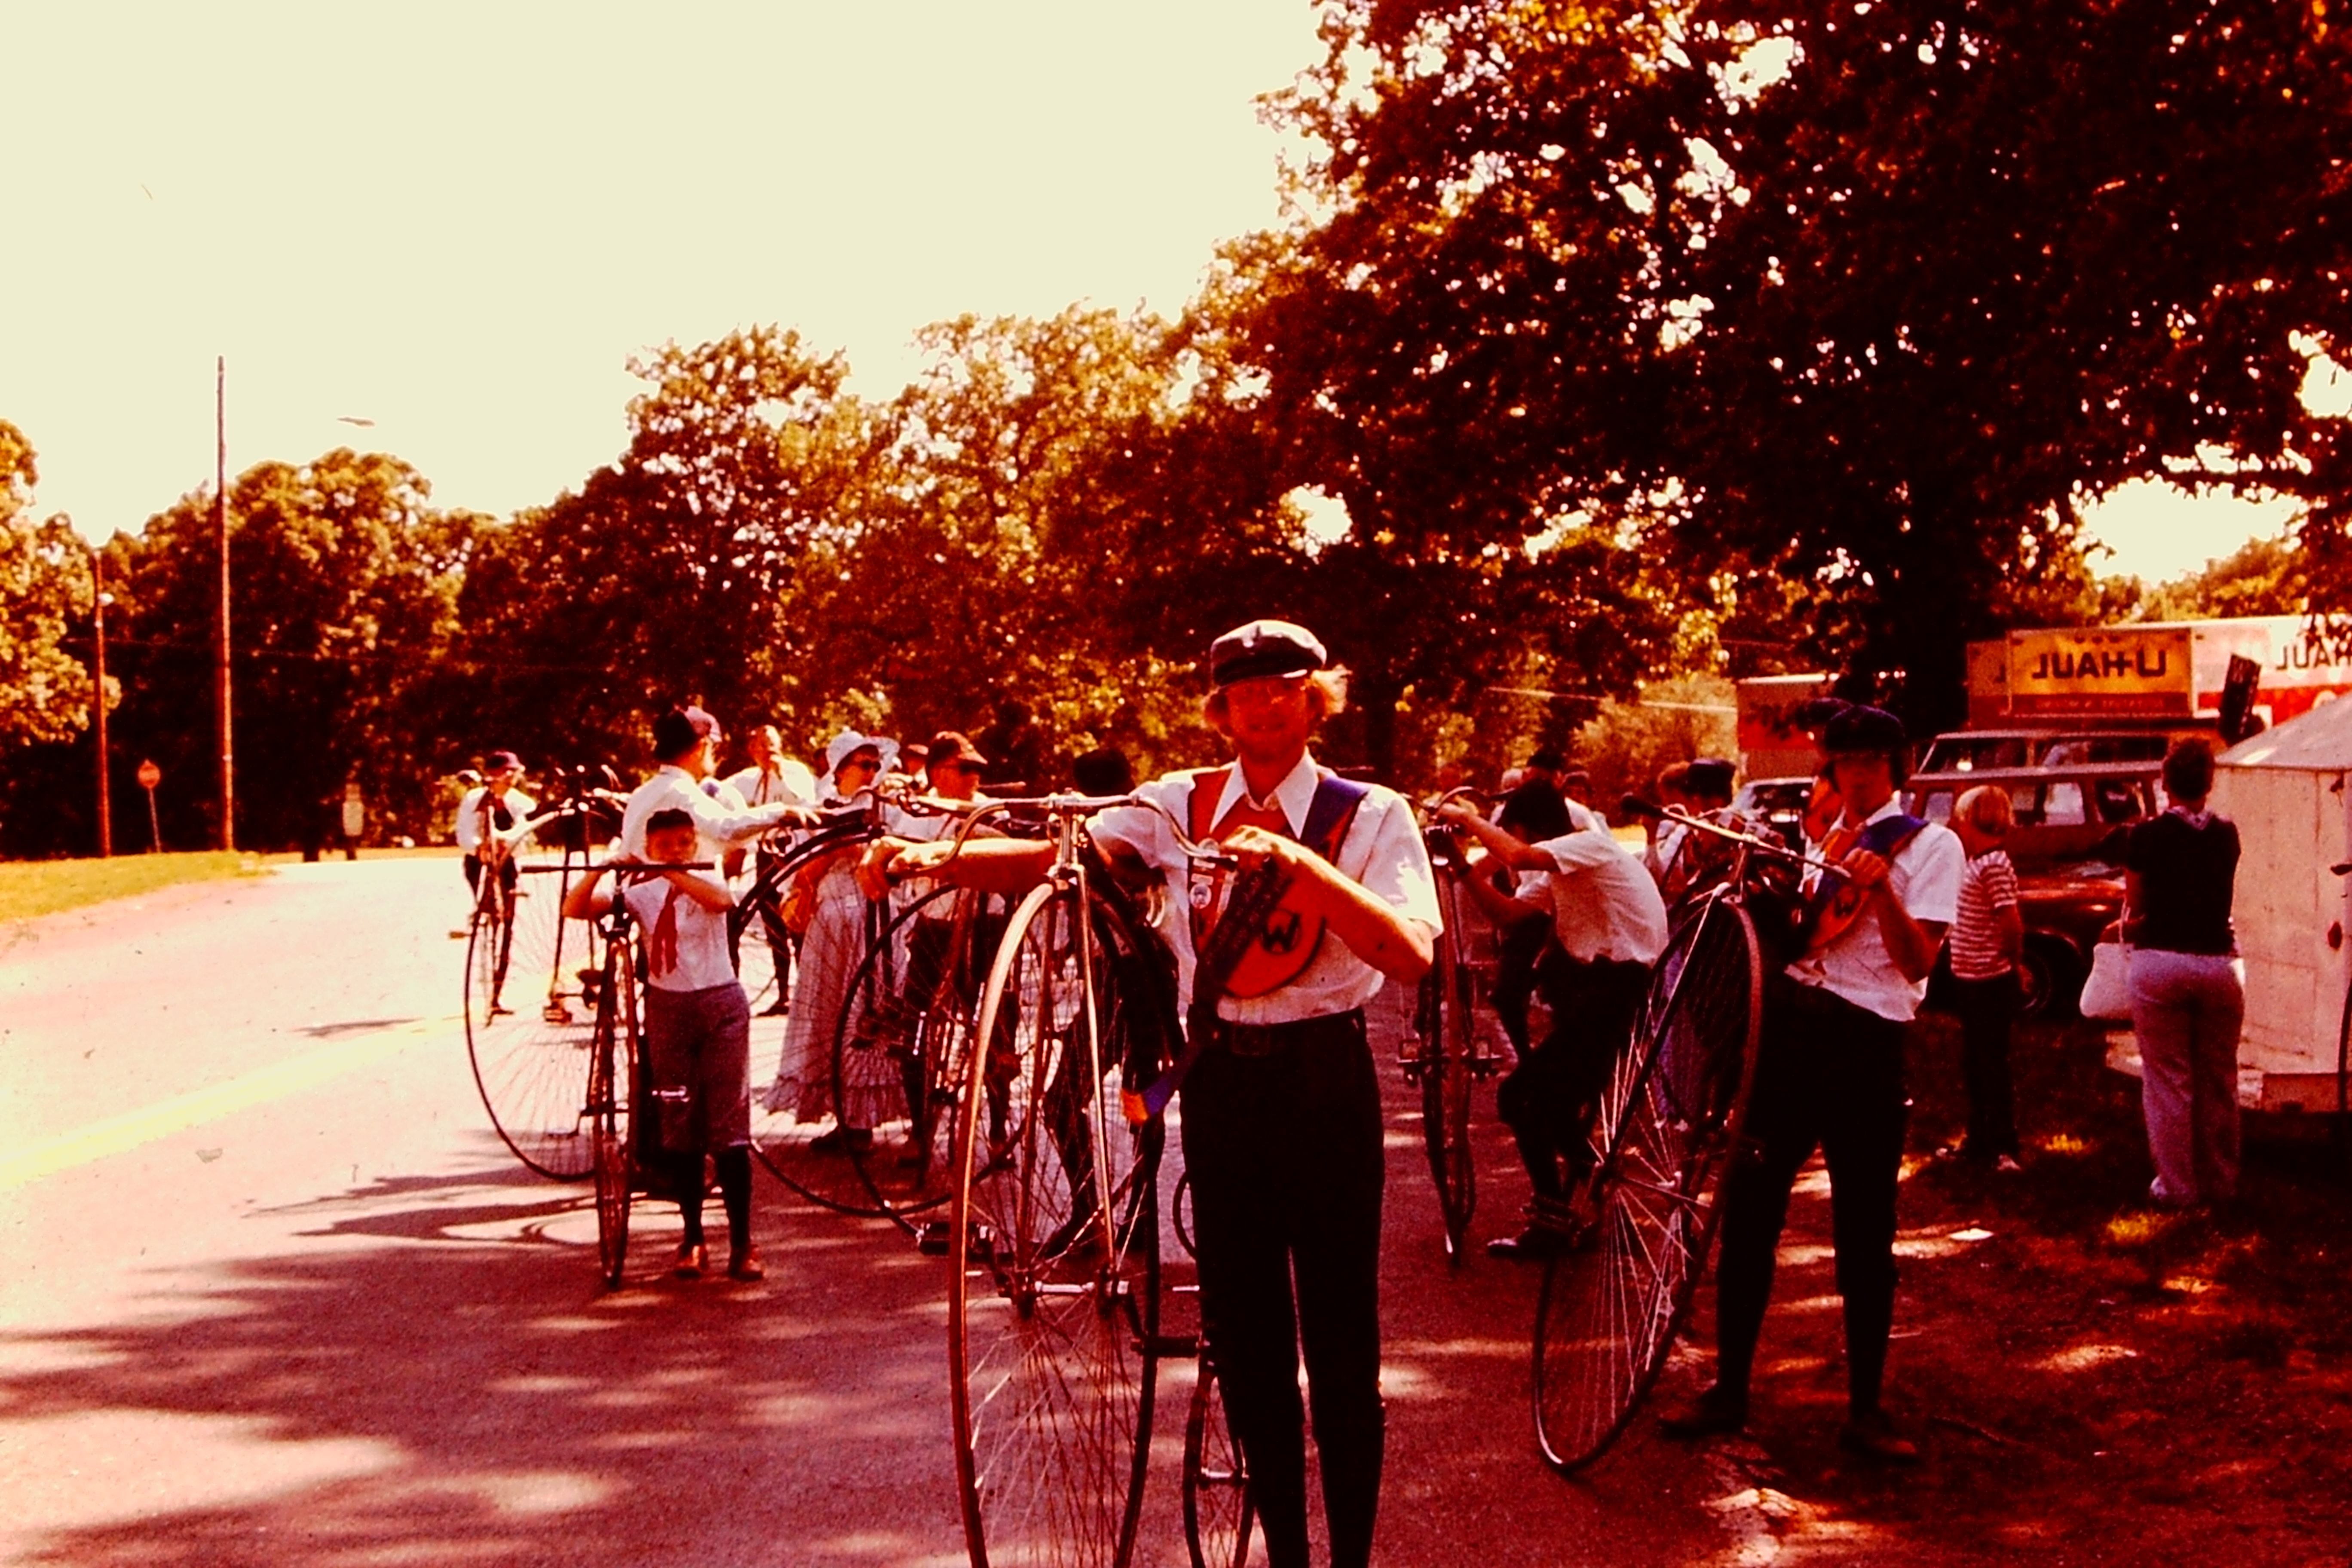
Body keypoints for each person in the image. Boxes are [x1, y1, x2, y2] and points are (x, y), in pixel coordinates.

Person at [857, 619, 1437, 1568]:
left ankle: (1353, 1558)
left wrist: (1303, 867)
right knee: (1248, 1339)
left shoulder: (1368, 813)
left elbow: (1409, 954)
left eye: (1282, 688)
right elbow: (1062, 863)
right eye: (1241, 692)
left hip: (1325, 1083)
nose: (1261, 706)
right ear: (1219, 709)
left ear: (1314, 697)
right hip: (1221, 1090)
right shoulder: (1175, 803)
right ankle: (1288, 1552)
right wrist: (937, 859)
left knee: (1341, 1345)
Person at [1662, 704, 1962, 1463]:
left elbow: (1918, 963)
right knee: (1751, 1209)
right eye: (1844, 759)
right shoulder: (1821, 836)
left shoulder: (1932, 845)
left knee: (1864, 1228)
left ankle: (1866, 1407)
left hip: (1865, 1042)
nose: (1856, 772)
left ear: (1898, 766)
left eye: (1870, 759)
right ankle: (1729, 1389)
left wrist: (1886, 891)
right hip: (1792, 1033)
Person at [1439, 794, 1668, 1258]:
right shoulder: (1561, 871)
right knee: (1552, 1104)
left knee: (1521, 1097)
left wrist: (1469, 819)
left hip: (1619, 985)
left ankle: (1554, 1221)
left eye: (1512, 832)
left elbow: (1518, 856)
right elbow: (1505, 913)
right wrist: (1461, 865)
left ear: (1526, 829)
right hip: (1602, 988)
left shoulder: (1590, 846)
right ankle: (1593, 1183)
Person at [564, 807, 764, 1281]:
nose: (676, 851)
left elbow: (723, 902)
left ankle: (743, 1243)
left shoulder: (706, 876)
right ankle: (692, 1237)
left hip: (720, 1006)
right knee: (681, 1128)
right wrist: (608, 866)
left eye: (684, 842)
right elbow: (575, 909)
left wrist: (673, 870)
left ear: (696, 844)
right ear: (648, 847)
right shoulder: (641, 893)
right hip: (669, 1009)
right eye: (664, 845)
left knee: (729, 1130)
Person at [2123, 738, 2244, 1209]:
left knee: (2169, 1078)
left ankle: (2177, 1186)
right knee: (2219, 1076)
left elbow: (2137, 903)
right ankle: (2222, 1180)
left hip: (2162, 959)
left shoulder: (2145, 836)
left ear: (2166, 781)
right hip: (2218, 961)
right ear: (2209, 783)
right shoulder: (2227, 834)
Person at [763, 729, 898, 1139]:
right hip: (832, 920)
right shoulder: (818, 809)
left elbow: (894, 862)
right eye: (864, 765)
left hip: (875, 914)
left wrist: (857, 851)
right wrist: (833, 851)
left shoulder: (886, 808)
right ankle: (845, 1117)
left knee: (867, 1011)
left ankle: (866, 1119)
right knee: (831, 1014)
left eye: (877, 765)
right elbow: (802, 872)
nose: (873, 772)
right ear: (839, 769)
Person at [1942, 784, 2025, 1170]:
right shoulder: (1976, 863)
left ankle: (2004, 1143)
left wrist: (2013, 963)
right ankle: (1979, 1138)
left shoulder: (1993, 865)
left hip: (1991, 978)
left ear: (1975, 820)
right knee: (1974, 1062)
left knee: (1992, 1063)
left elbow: (2011, 923)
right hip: (1970, 977)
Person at [620, 707, 812, 867]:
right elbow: (726, 829)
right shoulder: (679, 791)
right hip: (664, 900)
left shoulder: (644, 792)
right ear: (702, 747)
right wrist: (782, 812)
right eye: (714, 748)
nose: (715, 757)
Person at [725, 724, 819, 1011]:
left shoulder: (796, 772)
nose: (769, 752)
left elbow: (805, 802)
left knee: (797, 919)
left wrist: (780, 774)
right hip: (766, 852)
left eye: (773, 745)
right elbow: (721, 793)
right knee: (772, 923)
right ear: (752, 751)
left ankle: (807, 991)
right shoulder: (746, 780)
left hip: (791, 848)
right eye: (762, 746)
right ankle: (783, 993)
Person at [453, 751, 536, 925]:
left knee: (509, 887)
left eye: (514, 771)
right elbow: (464, 830)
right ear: (490, 774)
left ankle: (506, 917)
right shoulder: (474, 799)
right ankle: (485, 905)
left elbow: (523, 829)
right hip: (481, 852)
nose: (510, 776)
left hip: (507, 853)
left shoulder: (522, 803)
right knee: (472, 868)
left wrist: (503, 840)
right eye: (504, 771)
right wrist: (478, 847)